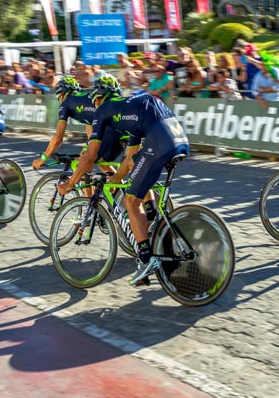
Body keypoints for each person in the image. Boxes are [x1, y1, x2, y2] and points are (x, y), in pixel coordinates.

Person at [56, 75, 190, 286]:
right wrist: (113, 182)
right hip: (179, 139)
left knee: (130, 201)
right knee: (138, 175)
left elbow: (90, 157)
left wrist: (70, 184)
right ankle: (155, 220)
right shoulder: (131, 109)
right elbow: (129, 159)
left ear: (98, 98)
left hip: (160, 141)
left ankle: (145, 260)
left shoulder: (102, 111)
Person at [31, 77, 103, 171]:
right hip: (111, 126)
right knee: (99, 163)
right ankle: (116, 185)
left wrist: (43, 159)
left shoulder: (66, 103)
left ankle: (87, 185)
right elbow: (91, 137)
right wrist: (82, 154)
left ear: (61, 95)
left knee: (82, 165)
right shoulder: (86, 97)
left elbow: (58, 138)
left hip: (106, 129)